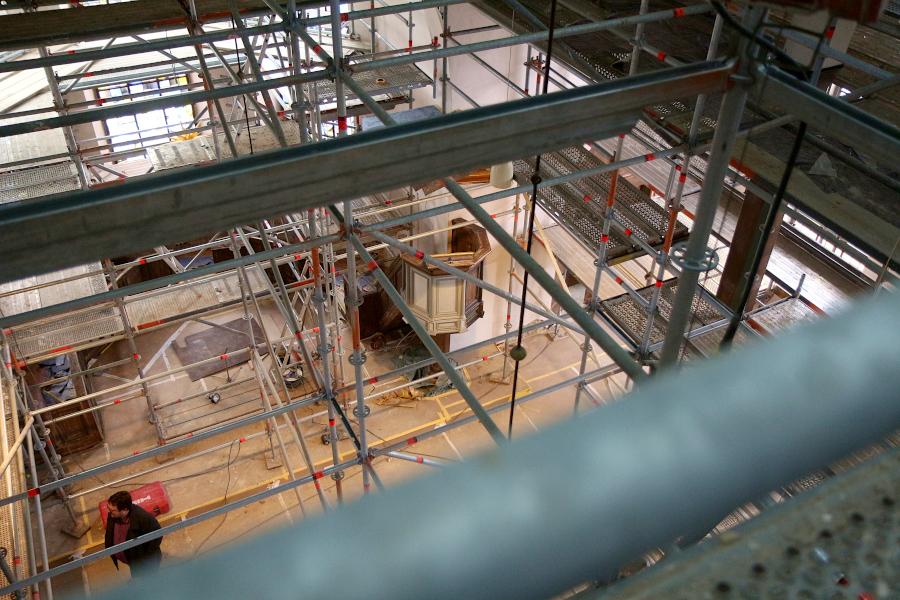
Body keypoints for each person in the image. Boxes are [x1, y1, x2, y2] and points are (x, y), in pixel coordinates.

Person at [104, 491, 163, 576]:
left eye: (113, 510)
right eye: (108, 508)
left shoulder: (143, 518)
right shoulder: (113, 516)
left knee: (146, 578)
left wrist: (144, 558)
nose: (110, 513)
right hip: (131, 561)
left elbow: (157, 535)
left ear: (125, 510)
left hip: (144, 565)